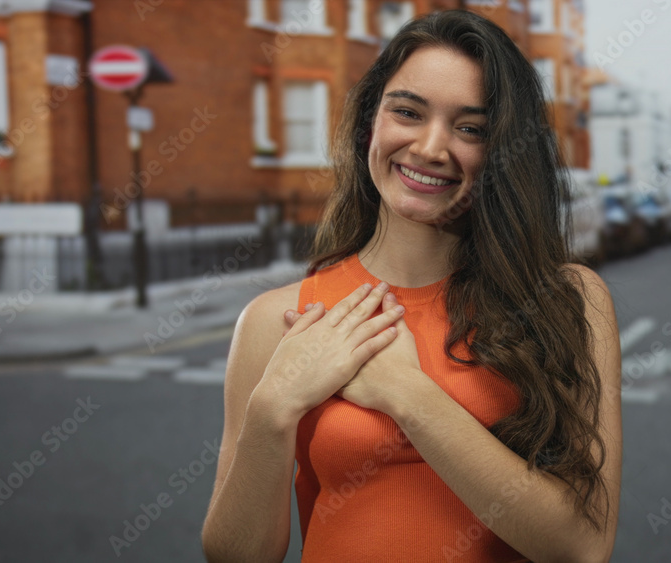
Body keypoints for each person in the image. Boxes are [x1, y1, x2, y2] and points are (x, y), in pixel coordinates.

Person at [202, 9, 621, 563]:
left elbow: (583, 546)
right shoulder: (277, 320)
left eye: (470, 128)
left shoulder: (568, 299)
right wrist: (272, 410)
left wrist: (407, 393)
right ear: (369, 123)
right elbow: (236, 556)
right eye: (407, 112)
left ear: (501, 153)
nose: (429, 147)